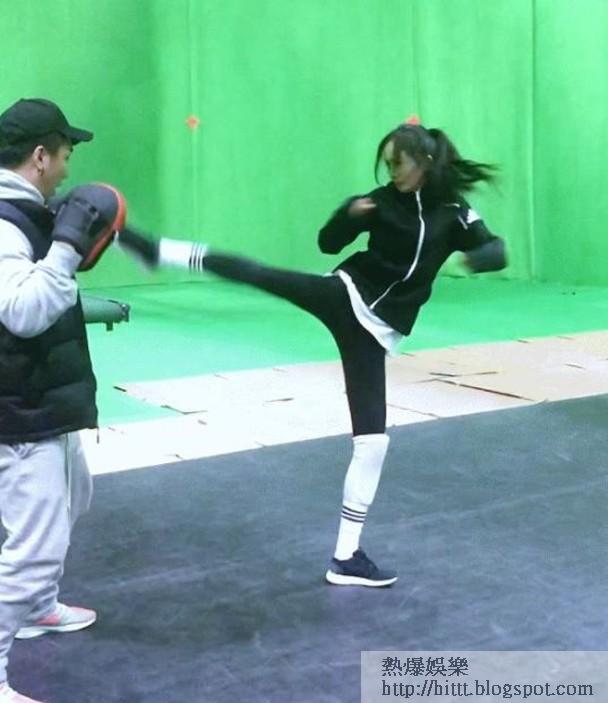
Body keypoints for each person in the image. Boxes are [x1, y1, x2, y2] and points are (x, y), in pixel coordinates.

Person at [119, 120, 507, 589]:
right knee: (258, 273)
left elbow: (495, 249)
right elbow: (328, 243)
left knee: (373, 443)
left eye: (398, 163)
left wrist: (480, 258)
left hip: (376, 333)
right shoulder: (381, 202)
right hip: (344, 296)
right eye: (387, 164)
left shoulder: (454, 211)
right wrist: (349, 214)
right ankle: (153, 250)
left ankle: (346, 557)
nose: (392, 172)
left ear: (424, 162)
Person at [0, 98, 125, 703]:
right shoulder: (4, 224)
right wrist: (69, 246)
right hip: (21, 412)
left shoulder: (29, 212)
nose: (70, 166)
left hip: (46, 402)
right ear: (41, 156)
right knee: (32, 552)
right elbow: (23, 312)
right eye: (66, 153)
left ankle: (38, 606)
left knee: (77, 494)